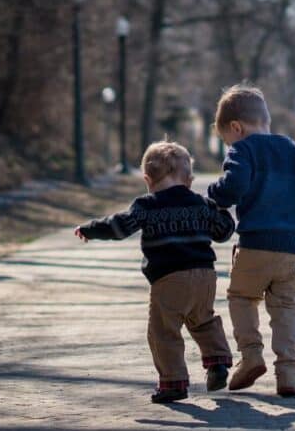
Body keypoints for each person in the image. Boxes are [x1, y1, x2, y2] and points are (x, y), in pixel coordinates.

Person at [75, 141, 235, 404]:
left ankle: (173, 382)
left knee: (163, 331)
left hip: (169, 278)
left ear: (147, 179)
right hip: (205, 276)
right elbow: (223, 232)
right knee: (203, 320)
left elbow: (120, 227)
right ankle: (218, 363)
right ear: (189, 179)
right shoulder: (201, 203)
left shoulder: (146, 206)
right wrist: (222, 211)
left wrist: (91, 229)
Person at [208, 84, 295, 397]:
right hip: (294, 249)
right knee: (287, 309)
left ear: (236, 128)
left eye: (227, 140)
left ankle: (251, 356)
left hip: (255, 245)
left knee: (242, 297)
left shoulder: (243, 150)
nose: (229, 145)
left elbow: (233, 187)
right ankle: (288, 374)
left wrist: (214, 193)